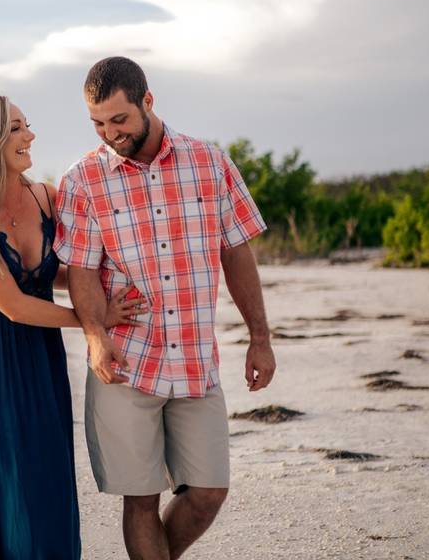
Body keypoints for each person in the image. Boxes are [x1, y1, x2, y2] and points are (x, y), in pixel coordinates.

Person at [54, 57, 276, 560]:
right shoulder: (84, 180)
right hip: (127, 363)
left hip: (196, 360)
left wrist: (259, 337)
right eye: (98, 124)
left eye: (120, 120)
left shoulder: (210, 163)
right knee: (141, 499)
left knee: (208, 492)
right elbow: (83, 270)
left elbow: (237, 251)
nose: (110, 133)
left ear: (147, 102)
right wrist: (95, 336)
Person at [0, 95, 146, 560]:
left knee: (43, 483)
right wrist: (95, 318)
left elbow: (62, 271)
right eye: (15, 128)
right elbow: (13, 304)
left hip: (37, 357)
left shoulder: (46, 197)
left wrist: (113, 287)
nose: (30, 135)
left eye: (27, 125)